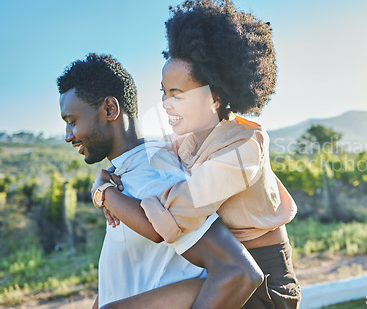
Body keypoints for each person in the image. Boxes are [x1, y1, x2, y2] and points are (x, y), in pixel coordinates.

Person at [98, 0, 301, 308]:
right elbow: (151, 162)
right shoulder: (188, 142)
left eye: (177, 94)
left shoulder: (244, 148)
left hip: (263, 284)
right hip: (224, 269)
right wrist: (117, 176)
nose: (166, 103)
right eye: (163, 93)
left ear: (214, 98)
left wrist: (104, 195)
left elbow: (171, 217)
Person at [58, 53, 263, 309]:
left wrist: (104, 193)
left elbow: (238, 273)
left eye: (72, 122)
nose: (68, 136)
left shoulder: (156, 175)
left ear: (110, 109)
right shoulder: (124, 177)